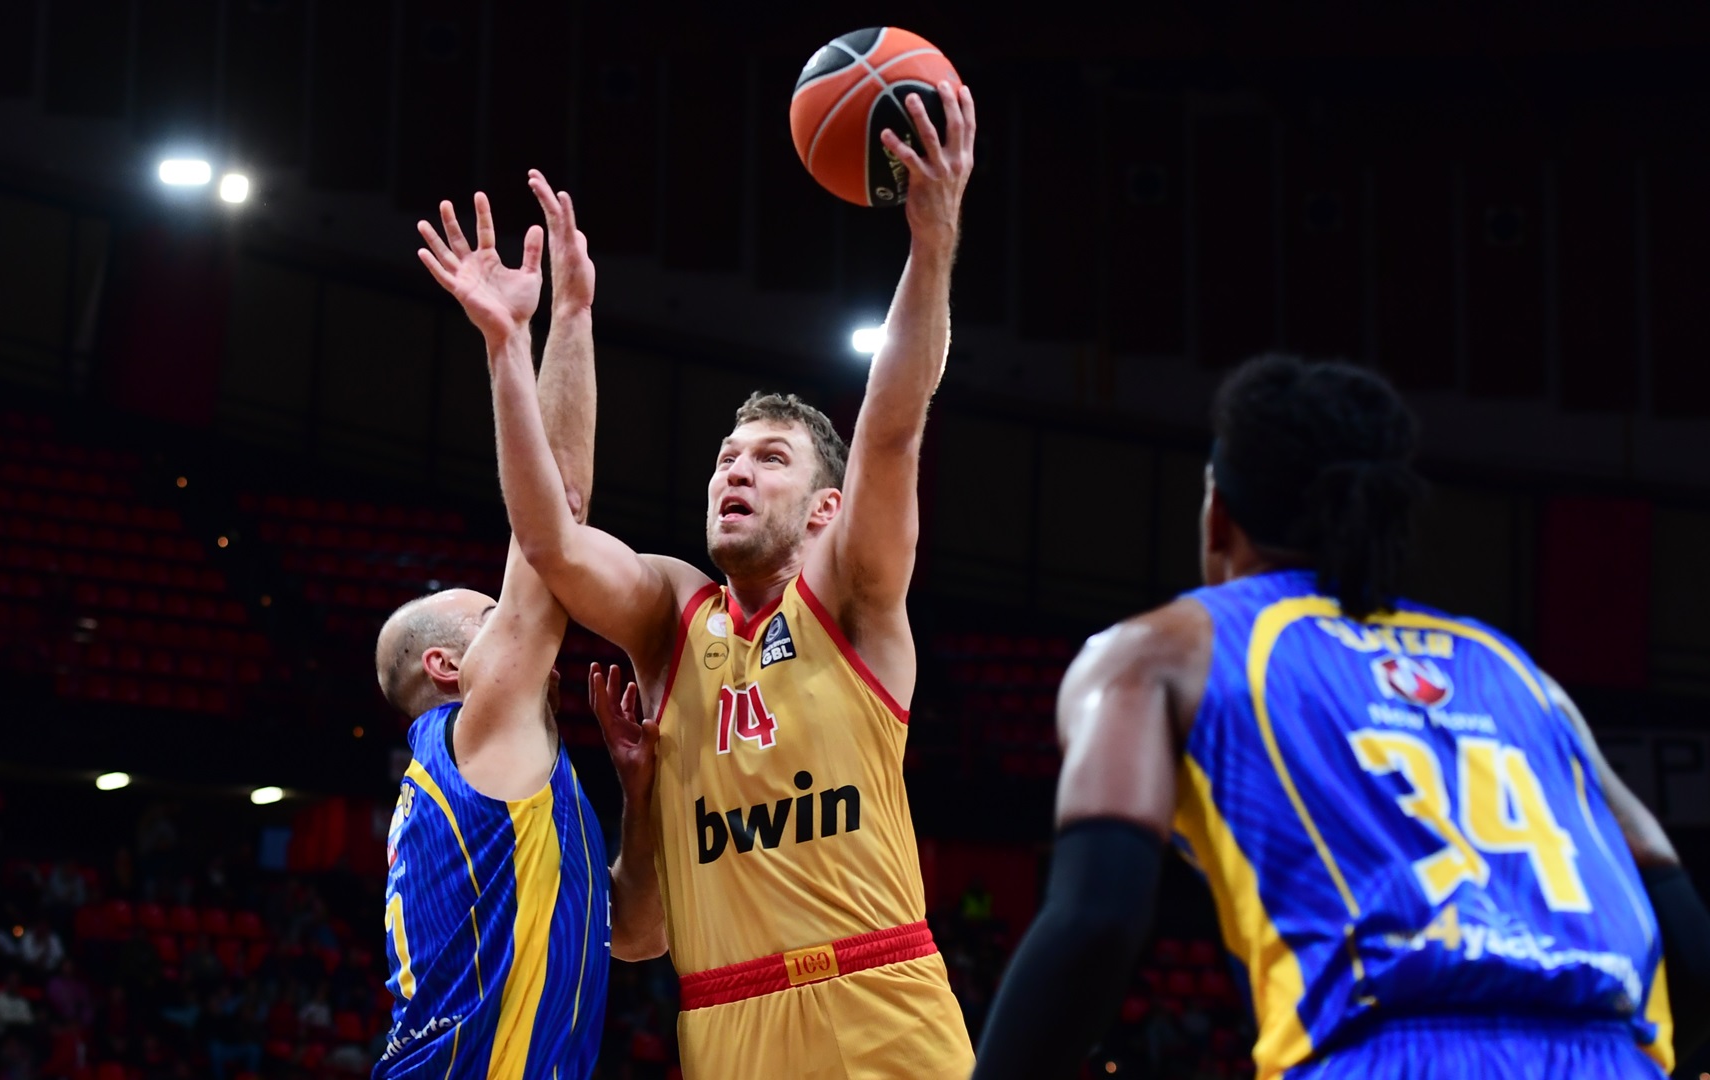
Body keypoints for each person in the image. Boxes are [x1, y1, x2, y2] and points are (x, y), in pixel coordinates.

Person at [435, 83, 979, 1078]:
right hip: (724, 1020)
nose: (736, 472)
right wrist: (516, 345)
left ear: (825, 509)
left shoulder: (852, 596)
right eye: (728, 458)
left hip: (880, 1001)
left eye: (769, 459)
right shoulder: (672, 617)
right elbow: (550, 540)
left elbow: (894, 424)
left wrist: (932, 244)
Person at [973, 355, 1710, 1078]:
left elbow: (1096, 921)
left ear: (1218, 514)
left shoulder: (1161, 651)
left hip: (1384, 1048)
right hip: (1615, 1053)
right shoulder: (1520, 675)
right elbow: (1686, 932)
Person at [373, 171, 625, 1079]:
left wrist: (639, 790)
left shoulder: (496, 788)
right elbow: (556, 524)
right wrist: (540, 331)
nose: (518, 613)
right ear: (450, 666)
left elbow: (633, 933)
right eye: (493, 615)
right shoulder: (476, 732)